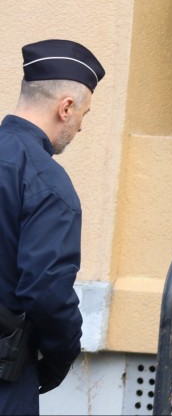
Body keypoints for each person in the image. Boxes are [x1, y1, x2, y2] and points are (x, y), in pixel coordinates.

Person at [0, 39, 105, 414]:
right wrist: (60, 358)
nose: (81, 128)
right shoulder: (45, 182)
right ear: (66, 108)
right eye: (84, 114)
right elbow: (45, 291)